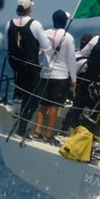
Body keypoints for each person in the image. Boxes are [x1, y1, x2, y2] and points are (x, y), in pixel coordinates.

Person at [5, 0, 51, 136]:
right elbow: (46, 46)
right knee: (32, 97)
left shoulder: (8, 24)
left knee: (21, 88)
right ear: (29, 8)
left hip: (15, 65)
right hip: (30, 67)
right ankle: (22, 127)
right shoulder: (35, 24)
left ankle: (16, 100)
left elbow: (7, 46)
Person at [32, 10, 76, 143]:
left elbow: (38, 52)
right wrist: (73, 80)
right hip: (60, 76)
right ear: (65, 21)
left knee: (43, 105)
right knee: (54, 106)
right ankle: (48, 134)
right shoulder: (68, 37)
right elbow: (71, 60)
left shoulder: (44, 34)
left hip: (44, 74)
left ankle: (37, 131)